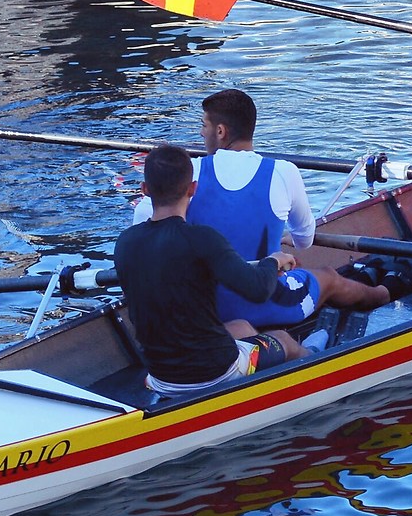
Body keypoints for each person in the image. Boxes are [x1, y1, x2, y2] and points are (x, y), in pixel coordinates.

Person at [127, 91, 389, 362]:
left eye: (203, 126)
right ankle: (383, 294)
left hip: (206, 310)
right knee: (328, 276)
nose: (201, 133)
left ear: (220, 131)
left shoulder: (187, 174)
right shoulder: (284, 171)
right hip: (268, 301)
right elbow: (305, 240)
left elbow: (149, 221)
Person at [114, 145, 310, 395]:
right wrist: (272, 261)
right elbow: (258, 289)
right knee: (284, 341)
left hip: (160, 377)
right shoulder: (203, 239)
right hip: (215, 373)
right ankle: (319, 362)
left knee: (240, 326)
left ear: (145, 191)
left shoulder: (125, 242)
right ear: (193, 189)